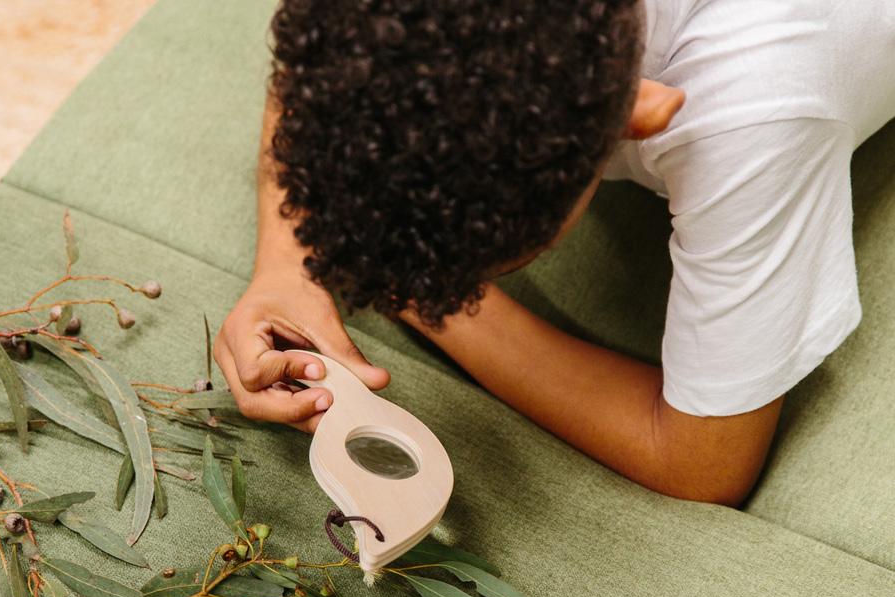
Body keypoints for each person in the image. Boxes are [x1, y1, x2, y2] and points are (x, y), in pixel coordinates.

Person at [215, 0, 895, 505]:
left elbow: (700, 461)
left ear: (638, 117)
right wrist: (286, 252)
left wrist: (418, 292)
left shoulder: (751, 107)